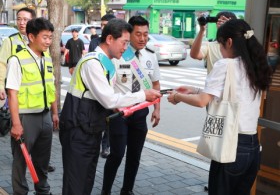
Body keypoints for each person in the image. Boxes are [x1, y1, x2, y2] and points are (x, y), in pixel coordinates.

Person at [167, 19, 272, 195]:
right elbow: (234, 94)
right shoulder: (256, 65)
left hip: (230, 145)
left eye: (220, 45)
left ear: (229, 42)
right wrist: (195, 89)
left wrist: (177, 96)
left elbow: (202, 101)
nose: (220, 50)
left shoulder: (226, 64)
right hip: (252, 147)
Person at [59, 18, 161, 195]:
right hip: (78, 130)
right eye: (124, 43)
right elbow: (109, 100)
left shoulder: (104, 62)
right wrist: (143, 95)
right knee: (76, 182)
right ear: (109, 40)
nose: (125, 48)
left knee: (86, 180)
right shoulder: (93, 63)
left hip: (89, 129)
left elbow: (109, 101)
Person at [101, 16, 161, 195]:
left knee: (134, 157)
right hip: (120, 114)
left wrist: (157, 109)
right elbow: (108, 87)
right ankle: (105, 190)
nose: (142, 38)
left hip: (140, 113)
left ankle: (127, 190)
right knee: (117, 155)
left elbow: (155, 85)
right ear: (129, 34)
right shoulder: (117, 53)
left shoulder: (151, 55)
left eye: (146, 34)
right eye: (138, 34)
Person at [6, 17, 59, 195]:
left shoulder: (48, 59)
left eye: (50, 37)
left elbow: (50, 88)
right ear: (31, 36)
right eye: (44, 37)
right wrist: (16, 123)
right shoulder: (17, 60)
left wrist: (54, 113)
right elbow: (12, 93)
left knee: (42, 161)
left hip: (45, 117)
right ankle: (20, 193)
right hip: (25, 118)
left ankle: (43, 191)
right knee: (21, 162)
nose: (48, 41)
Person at [89, 13, 116, 158]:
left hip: (111, 86)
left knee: (109, 121)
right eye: (101, 24)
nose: (102, 27)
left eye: (105, 25)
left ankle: (105, 146)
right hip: (98, 86)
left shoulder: (116, 44)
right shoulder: (95, 41)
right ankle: (96, 144)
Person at [0, 7, 36, 100]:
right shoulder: (9, 41)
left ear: (33, 21)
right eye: (19, 19)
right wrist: (0, 86)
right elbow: (2, 65)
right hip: (17, 94)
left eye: (25, 19)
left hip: (36, 94)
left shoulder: (39, 41)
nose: (21, 23)